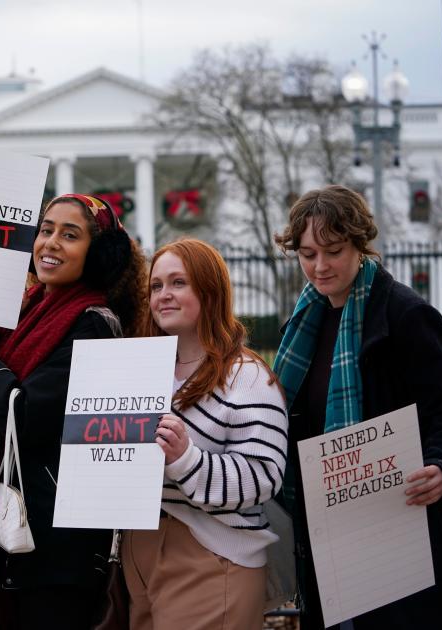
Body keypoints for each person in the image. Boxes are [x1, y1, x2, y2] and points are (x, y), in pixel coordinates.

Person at [0, 194, 149, 630]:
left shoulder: (94, 323)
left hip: (59, 552)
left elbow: (26, 418)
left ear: (97, 253)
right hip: (11, 541)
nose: (51, 243)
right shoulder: (24, 312)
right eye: (45, 230)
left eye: (70, 234)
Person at [273, 184, 442, 629]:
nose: (319, 266)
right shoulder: (303, 322)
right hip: (327, 526)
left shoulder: (405, 314)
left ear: (359, 243)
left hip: (401, 526)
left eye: (332, 251)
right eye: (308, 253)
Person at [121, 237, 288, 630]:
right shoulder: (140, 369)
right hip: (140, 551)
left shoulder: (245, 375)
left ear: (210, 291)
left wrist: (186, 459)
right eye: (157, 285)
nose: (164, 295)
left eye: (179, 283)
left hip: (212, 553)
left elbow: (264, 475)